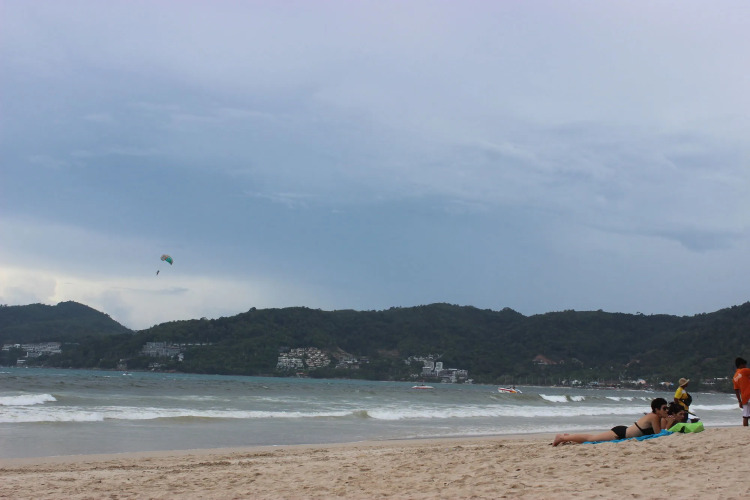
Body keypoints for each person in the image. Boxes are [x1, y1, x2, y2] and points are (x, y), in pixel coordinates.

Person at [552, 398, 669, 446]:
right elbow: (658, 435)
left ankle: (568, 436)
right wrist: (669, 421)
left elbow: (660, 432)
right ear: (656, 409)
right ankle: (562, 437)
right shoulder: (654, 417)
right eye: (664, 408)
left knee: (592, 438)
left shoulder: (657, 418)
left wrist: (666, 420)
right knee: (591, 439)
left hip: (623, 432)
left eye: (667, 408)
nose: (666, 410)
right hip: (620, 433)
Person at [732, 357, 750, 427]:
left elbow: (736, 390)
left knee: (745, 416)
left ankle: (745, 429)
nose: (745, 366)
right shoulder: (744, 371)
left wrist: (740, 401)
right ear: (741, 365)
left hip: (744, 398)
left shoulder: (735, 377)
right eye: (744, 365)